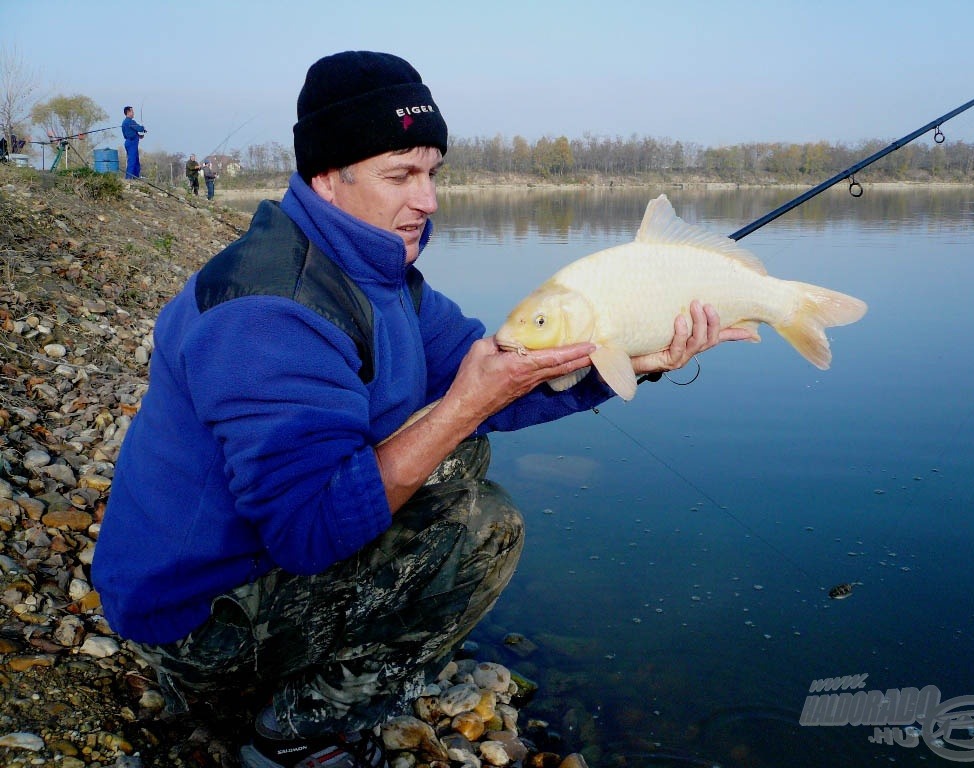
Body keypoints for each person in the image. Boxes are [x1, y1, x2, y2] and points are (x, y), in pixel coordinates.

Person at [92, 51, 751, 768]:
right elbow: (307, 534)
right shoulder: (269, 312)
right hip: (193, 622)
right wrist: (464, 406)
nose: (428, 199)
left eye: (432, 172)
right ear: (327, 177)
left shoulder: (379, 274)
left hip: (250, 561)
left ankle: (328, 654)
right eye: (400, 174)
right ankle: (293, 730)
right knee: (484, 530)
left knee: (460, 456)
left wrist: (624, 361)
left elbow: (490, 369)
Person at [121, 106, 146, 179]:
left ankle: (136, 178)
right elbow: (138, 128)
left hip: (129, 142)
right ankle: (128, 179)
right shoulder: (130, 121)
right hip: (132, 143)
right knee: (132, 162)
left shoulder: (125, 122)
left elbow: (128, 133)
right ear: (128, 112)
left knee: (136, 162)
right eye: (132, 111)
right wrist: (143, 128)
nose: (133, 113)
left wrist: (138, 136)